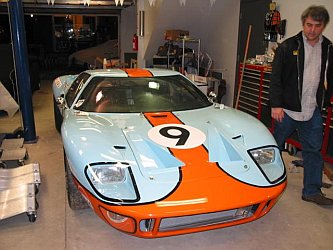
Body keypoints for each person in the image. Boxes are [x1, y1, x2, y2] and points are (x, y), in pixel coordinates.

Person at [269, 5, 333, 205]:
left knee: (313, 150)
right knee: (273, 147)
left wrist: (325, 100)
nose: (312, 30)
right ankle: (267, 182)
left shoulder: (328, 48)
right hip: (286, 110)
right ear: (303, 24)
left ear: (323, 26)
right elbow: (276, 78)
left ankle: (311, 191)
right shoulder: (288, 47)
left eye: (317, 26)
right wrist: (276, 105)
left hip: (311, 109)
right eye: (309, 25)